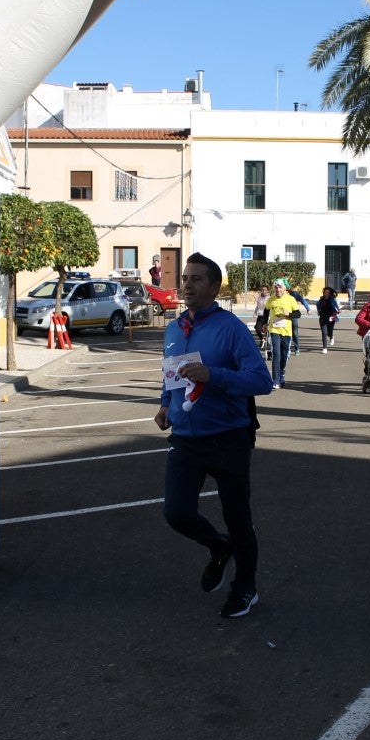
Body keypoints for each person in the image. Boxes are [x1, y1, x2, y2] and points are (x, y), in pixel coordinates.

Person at [155, 253, 272, 619]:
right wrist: (165, 405)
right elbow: (171, 377)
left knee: (238, 518)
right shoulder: (174, 329)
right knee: (177, 513)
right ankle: (219, 547)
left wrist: (214, 375)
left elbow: (261, 381)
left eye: (196, 279)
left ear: (214, 287)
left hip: (228, 438)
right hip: (185, 439)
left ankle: (245, 587)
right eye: (184, 278)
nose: (187, 284)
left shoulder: (231, 328)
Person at [264, 279, 302, 389]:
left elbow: (298, 314)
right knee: (276, 353)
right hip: (274, 330)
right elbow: (266, 311)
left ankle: (282, 373)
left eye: (280, 287)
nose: (278, 289)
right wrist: (264, 323)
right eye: (276, 287)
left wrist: (289, 313)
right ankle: (275, 380)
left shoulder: (290, 299)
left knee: (284, 355)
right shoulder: (271, 299)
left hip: (286, 332)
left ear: (284, 289)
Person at [287, 284, 312, 355]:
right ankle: (287, 349)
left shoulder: (294, 294)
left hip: (293, 315)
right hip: (284, 315)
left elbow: (303, 300)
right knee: (285, 332)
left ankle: (297, 348)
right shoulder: (279, 294)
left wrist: (308, 309)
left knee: (294, 333)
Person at [315, 287, 340, 353]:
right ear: (324, 293)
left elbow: (336, 307)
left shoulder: (332, 300)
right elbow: (317, 305)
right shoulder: (321, 299)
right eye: (326, 292)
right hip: (323, 318)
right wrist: (319, 311)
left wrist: (338, 311)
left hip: (331, 317)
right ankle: (324, 348)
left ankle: (331, 337)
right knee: (324, 333)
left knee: (329, 332)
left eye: (328, 292)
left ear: (330, 293)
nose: (327, 294)